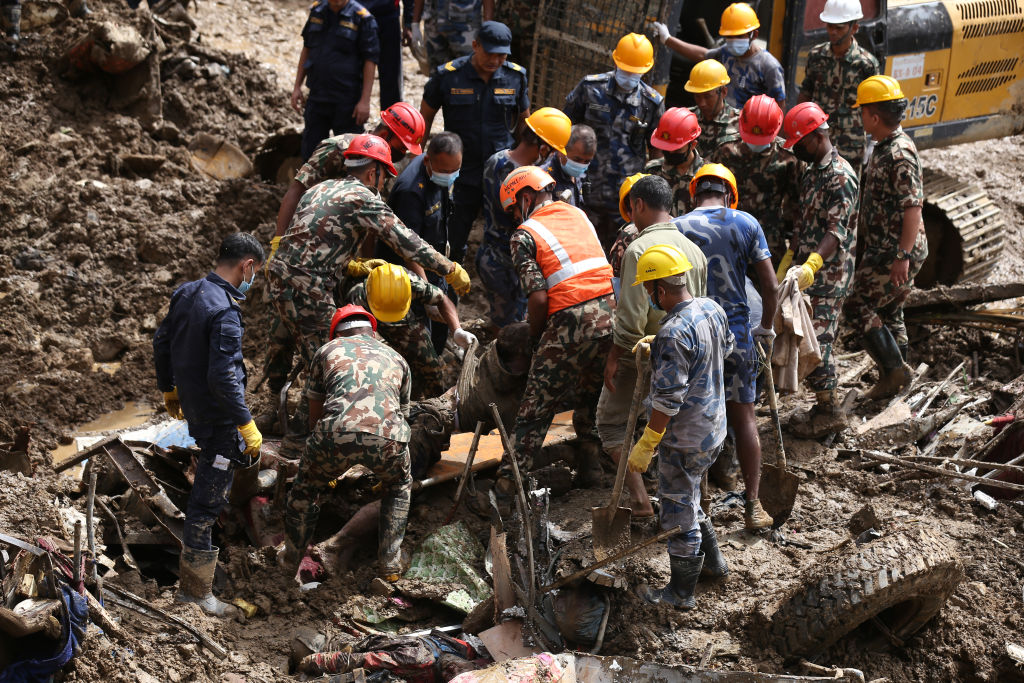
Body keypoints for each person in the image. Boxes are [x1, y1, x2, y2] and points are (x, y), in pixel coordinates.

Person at [266, 134, 469, 449]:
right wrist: (449, 268)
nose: (385, 182)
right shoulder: (363, 197)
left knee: (302, 348)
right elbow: (406, 241)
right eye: (385, 175)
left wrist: (349, 266)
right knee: (325, 358)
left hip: (279, 279)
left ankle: (278, 414)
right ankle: (302, 443)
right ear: (373, 171)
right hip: (309, 286)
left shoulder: (321, 188)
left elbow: (314, 241)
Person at [262, 103, 427, 431]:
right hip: (302, 254)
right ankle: (280, 402)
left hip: (336, 261)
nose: (403, 156)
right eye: (402, 147)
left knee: (318, 328)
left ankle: (308, 402)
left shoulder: (382, 164)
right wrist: (279, 241)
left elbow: (374, 221)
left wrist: (361, 262)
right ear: (389, 136)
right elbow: (297, 189)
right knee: (287, 327)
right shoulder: (336, 149)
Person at [153, 233, 265, 619]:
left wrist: (169, 387)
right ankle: (196, 593)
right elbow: (224, 378)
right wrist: (245, 423)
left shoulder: (186, 293)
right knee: (205, 504)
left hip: (197, 412)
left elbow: (161, 341)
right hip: (218, 420)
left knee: (211, 493)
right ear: (247, 266)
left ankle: (204, 577)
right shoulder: (225, 312)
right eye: (255, 273)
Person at [497, 166, 615, 496]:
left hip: (571, 321)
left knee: (536, 406)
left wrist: (536, 340)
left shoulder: (524, 235)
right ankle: (591, 467)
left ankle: (507, 484)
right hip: (612, 315)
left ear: (525, 196)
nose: (514, 217)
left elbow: (538, 297)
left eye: (512, 209)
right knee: (592, 395)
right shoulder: (578, 215)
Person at [627, 244, 734, 610]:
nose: (647, 295)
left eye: (648, 288)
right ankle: (713, 566)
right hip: (715, 427)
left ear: (659, 288)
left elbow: (667, 400)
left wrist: (647, 443)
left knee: (676, 509)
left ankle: (680, 594)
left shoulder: (674, 331)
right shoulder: (711, 309)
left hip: (685, 437)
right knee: (691, 496)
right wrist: (663, 346)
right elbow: (725, 347)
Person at [673, 163, 778, 531]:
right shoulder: (746, 223)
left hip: (694, 337)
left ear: (694, 193)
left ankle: (697, 509)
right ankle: (753, 505)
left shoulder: (677, 227)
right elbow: (770, 285)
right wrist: (765, 328)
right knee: (744, 417)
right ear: (730, 194)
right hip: (737, 334)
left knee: (689, 418)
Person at [598, 176, 708, 519]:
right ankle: (692, 504)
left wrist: (616, 357)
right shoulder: (695, 249)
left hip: (646, 352)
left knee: (611, 424)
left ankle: (643, 502)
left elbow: (631, 316)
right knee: (674, 426)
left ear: (639, 206)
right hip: (688, 354)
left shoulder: (638, 249)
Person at [280, 305, 413, 582]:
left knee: (304, 490)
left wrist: (321, 465)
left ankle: (289, 561)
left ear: (335, 334)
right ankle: (389, 564)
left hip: (334, 435)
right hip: (389, 440)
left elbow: (315, 416)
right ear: (372, 332)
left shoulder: (327, 352)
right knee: (399, 486)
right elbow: (402, 416)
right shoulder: (398, 358)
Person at [420, 20, 530, 263]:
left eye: (501, 55)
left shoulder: (516, 77)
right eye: (490, 53)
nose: (495, 60)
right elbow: (425, 117)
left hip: (501, 173)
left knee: (505, 236)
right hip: (460, 172)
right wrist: (420, 159)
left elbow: (525, 123)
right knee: (452, 235)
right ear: (475, 45)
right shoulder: (448, 76)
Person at [780, 102, 859, 438]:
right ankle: (826, 407)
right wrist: (791, 254)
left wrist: (812, 263)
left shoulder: (841, 176)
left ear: (813, 138)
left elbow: (835, 231)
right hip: (807, 269)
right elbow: (805, 219)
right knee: (811, 337)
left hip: (829, 275)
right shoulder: (813, 171)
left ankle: (829, 412)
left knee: (819, 341)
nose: (796, 152)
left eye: (798, 144)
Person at [844, 75, 924, 398]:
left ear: (874, 117)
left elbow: (912, 208)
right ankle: (899, 379)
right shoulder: (884, 147)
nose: (860, 117)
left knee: (855, 306)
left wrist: (902, 257)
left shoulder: (898, 155)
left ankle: (893, 373)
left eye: (862, 112)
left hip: (893, 252)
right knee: (890, 311)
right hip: (885, 248)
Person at [564, 33, 665, 250]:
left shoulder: (651, 103)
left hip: (625, 199)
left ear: (644, 70)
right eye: (626, 69)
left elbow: (657, 151)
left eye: (635, 72)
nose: (629, 75)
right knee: (580, 248)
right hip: (586, 189)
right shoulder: (591, 88)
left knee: (617, 254)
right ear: (616, 61)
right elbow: (566, 128)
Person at [478, 107, 572, 332]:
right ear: (542, 148)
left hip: (489, 255)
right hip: (510, 267)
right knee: (512, 328)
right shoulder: (526, 182)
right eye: (551, 152)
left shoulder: (496, 160)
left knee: (502, 319)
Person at [378, 131, 462, 351]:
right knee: (421, 338)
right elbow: (408, 249)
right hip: (409, 274)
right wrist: (425, 294)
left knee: (440, 328)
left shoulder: (441, 169)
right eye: (445, 171)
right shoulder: (411, 191)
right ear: (428, 161)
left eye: (455, 170)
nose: (451, 176)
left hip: (433, 262)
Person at [345, 263, 477, 398]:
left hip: (403, 317)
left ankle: (436, 402)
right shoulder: (354, 295)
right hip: (365, 318)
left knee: (429, 363)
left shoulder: (410, 282)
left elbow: (442, 299)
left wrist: (457, 330)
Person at [708, 95, 801, 264]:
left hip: (768, 244)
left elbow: (796, 209)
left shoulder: (789, 159)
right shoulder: (725, 152)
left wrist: (792, 253)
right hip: (727, 240)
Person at [290, 0, 381, 161]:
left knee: (352, 157)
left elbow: (370, 61)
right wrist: (297, 86)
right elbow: (307, 48)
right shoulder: (317, 11)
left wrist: (365, 101)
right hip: (317, 97)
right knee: (311, 155)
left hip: (347, 101)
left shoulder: (362, 18)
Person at [652, 3, 785, 109]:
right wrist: (668, 39)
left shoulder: (769, 66)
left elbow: (779, 107)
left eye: (739, 36)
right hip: (724, 130)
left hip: (750, 133)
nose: (733, 41)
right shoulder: (726, 53)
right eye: (729, 36)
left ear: (754, 35)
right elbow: (702, 54)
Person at [798, 0, 880, 169]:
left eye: (839, 27)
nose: (833, 32)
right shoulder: (816, 56)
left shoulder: (866, 64)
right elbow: (806, 93)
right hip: (819, 141)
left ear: (854, 28)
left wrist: (875, 142)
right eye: (830, 26)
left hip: (851, 144)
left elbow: (875, 107)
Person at [644, 107, 704, 216]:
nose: (670, 153)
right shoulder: (652, 171)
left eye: (676, 149)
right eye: (666, 148)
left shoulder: (707, 175)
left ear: (693, 145)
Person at [685, 59, 741, 160]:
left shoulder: (741, 123)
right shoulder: (685, 119)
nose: (702, 103)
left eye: (707, 96)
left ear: (723, 92)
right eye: (697, 96)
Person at [416, 0, 494, 69]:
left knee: (470, 71)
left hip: (466, 26)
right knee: (437, 73)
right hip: (433, 24)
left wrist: (488, 27)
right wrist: (415, 23)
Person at [539, 123, 596, 209]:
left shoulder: (583, 176)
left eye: (587, 161)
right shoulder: (543, 178)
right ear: (561, 151)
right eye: (577, 160)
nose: (581, 165)